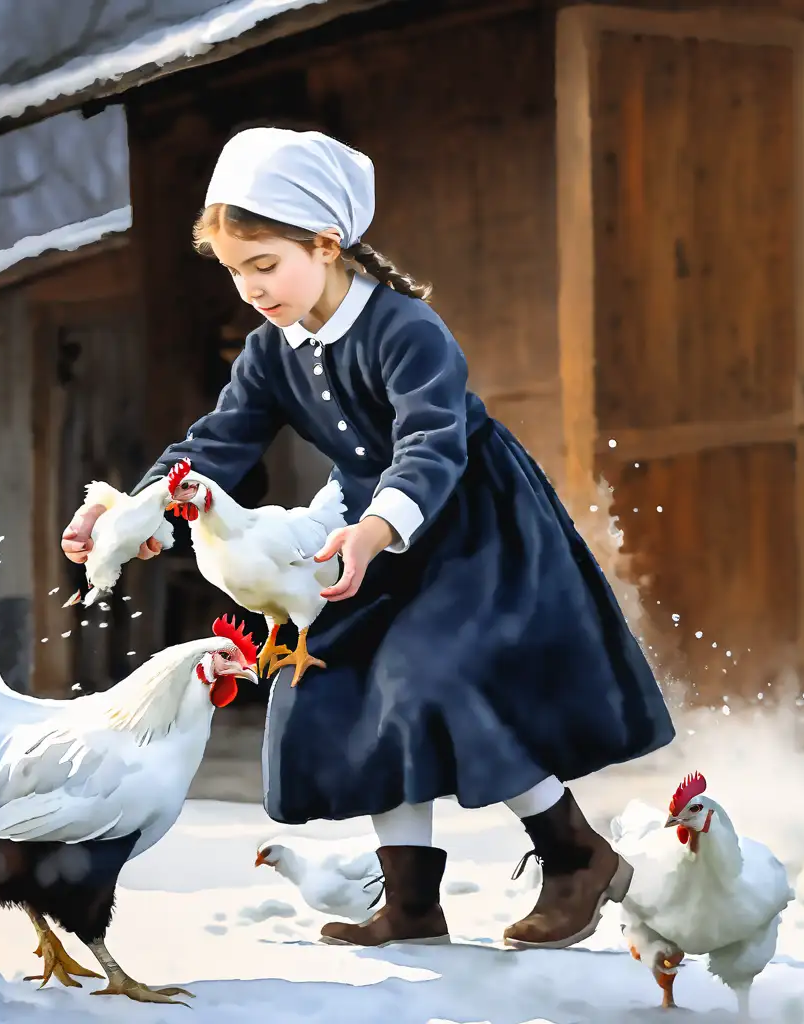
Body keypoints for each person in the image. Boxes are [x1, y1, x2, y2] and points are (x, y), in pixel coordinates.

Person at [61, 127, 675, 950]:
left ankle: (575, 856)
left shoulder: (406, 329)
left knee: (435, 676)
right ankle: (412, 901)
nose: (250, 289)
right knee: (343, 684)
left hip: (466, 526)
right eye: (236, 271)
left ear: (326, 241)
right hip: (359, 532)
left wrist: (374, 530)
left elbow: (432, 443)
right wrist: (128, 514)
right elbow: (214, 445)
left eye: (265, 265)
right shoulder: (271, 353)